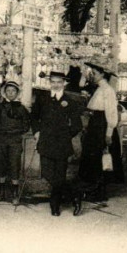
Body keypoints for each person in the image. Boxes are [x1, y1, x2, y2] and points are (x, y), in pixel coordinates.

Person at [30, 71, 83, 216]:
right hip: (45, 142)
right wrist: (36, 132)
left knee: (59, 176)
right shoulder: (42, 99)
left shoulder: (70, 101)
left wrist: (66, 134)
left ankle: (55, 205)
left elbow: (77, 125)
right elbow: (34, 117)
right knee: (47, 173)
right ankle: (75, 195)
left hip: (62, 144)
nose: (56, 84)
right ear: (50, 83)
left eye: (59, 82)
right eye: (53, 81)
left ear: (64, 83)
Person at [79, 59, 120, 203]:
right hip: (95, 124)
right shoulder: (98, 88)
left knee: (100, 157)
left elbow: (111, 112)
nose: (93, 76)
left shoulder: (108, 90)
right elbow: (80, 86)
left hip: (102, 126)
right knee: (93, 157)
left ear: (103, 74)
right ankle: (93, 188)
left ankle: (100, 191)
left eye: (95, 73)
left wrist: (109, 133)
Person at [0, 81, 30, 205]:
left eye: (13, 91)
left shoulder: (21, 108)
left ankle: (15, 194)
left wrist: (18, 131)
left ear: (17, 93)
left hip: (15, 140)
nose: (10, 94)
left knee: (14, 164)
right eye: (8, 91)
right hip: (1, 139)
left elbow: (26, 124)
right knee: (1, 164)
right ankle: (1, 192)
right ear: (5, 93)